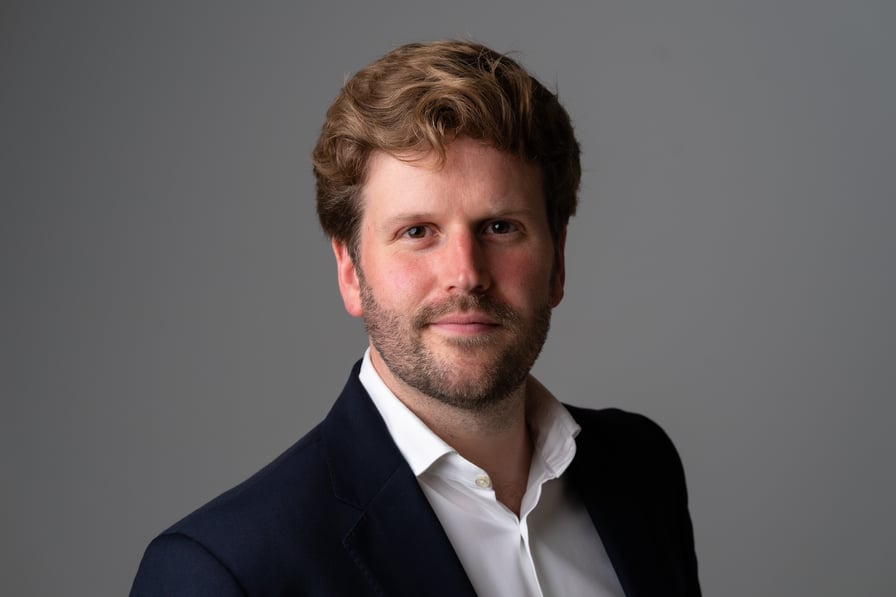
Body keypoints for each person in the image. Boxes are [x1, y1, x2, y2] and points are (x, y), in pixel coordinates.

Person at [130, 40, 701, 596]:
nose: (466, 274)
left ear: (558, 261)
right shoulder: (223, 572)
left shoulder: (640, 468)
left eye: (500, 227)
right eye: (417, 232)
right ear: (350, 271)